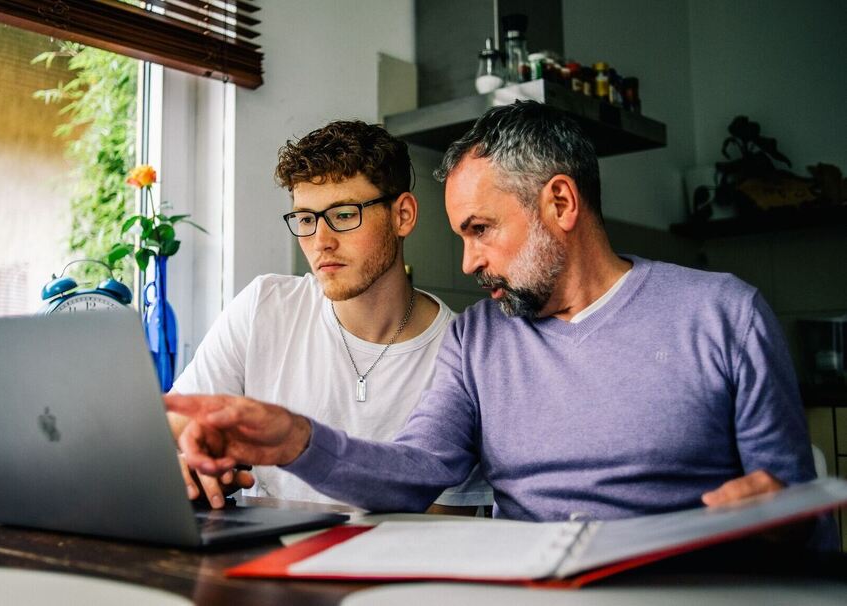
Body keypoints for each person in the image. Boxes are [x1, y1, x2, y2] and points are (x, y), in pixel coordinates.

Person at [167, 101, 835, 548]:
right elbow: (414, 470)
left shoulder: (725, 315)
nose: (467, 259)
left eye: (481, 230)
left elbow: (795, 510)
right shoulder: (478, 337)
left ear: (561, 202)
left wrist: (775, 518)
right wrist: (297, 440)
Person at [169, 120, 491, 511]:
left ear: (402, 215)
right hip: (260, 561)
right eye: (306, 219)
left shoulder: (461, 352)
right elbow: (177, 425)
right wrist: (185, 462)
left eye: (343, 214)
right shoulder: (263, 306)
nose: (321, 241)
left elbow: (440, 528)